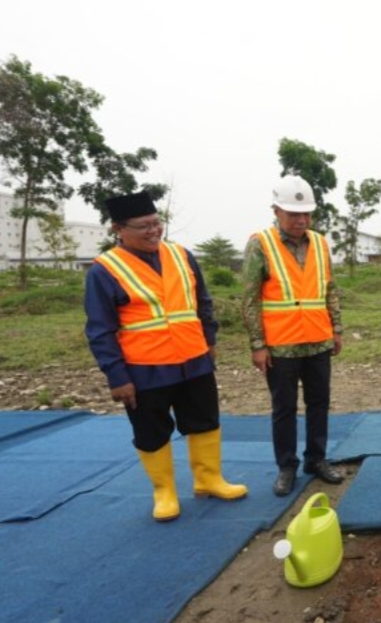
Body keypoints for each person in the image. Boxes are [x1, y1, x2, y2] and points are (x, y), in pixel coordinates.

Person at [84, 190, 247, 522]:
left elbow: (203, 302)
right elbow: (100, 329)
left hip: (194, 360)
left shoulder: (181, 255)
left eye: (156, 223)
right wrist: (117, 376)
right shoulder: (104, 271)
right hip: (144, 368)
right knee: (151, 430)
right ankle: (164, 491)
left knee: (204, 420)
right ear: (118, 228)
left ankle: (208, 479)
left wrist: (209, 339)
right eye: (143, 226)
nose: (153, 231)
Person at [241, 175, 344, 497]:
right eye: (293, 214)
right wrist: (258, 345)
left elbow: (329, 289)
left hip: (317, 341)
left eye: (306, 214)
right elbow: (250, 298)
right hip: (280, 346)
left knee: (319, 403)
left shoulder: (320, 243)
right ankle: (287, 466)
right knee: (283, 408)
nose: (301, 220)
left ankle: (317, 459)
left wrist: (336, 328)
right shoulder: (260, 243)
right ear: (276, 211)